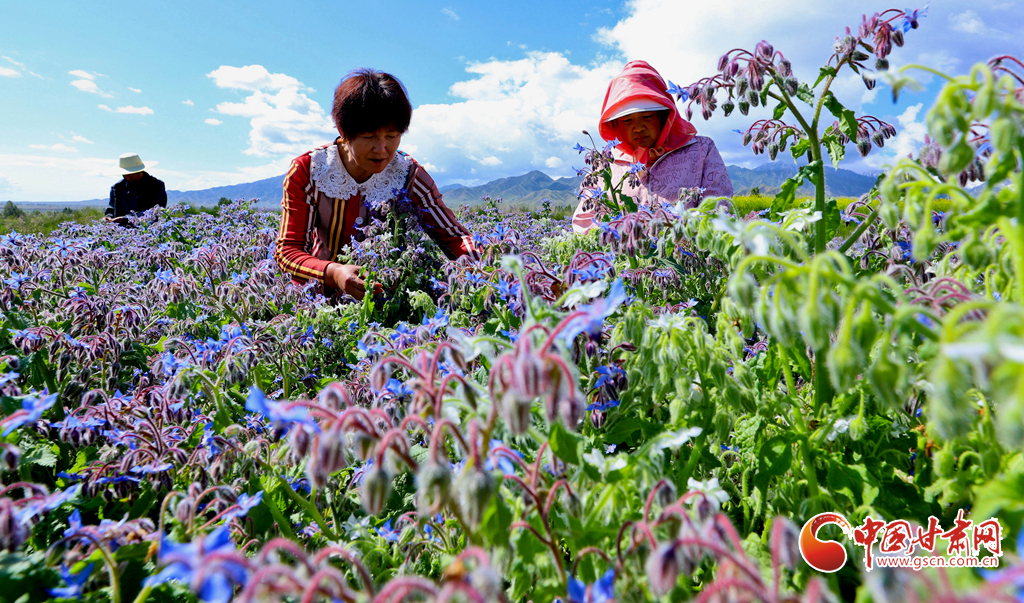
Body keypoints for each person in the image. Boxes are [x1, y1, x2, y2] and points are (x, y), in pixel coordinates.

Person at [274, 69, 479, 300]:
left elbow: (454, 237)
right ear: (343, 132)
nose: (382, 149)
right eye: (369, 137)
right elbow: (288, 251)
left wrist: (492, 267)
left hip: (390, 301)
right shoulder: (309, 171)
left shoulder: (409, 174)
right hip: (318, 301)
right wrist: (334, 273)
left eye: (391, 136)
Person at [572, 60, 733, 234]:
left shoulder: (701, 150)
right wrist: (620, 237)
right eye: (627, 120)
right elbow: (584, 222)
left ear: (664, 116)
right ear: (615, 124)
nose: (638, 127)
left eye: (647, 116)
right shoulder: (606, 163)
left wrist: (680, 237)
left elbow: (718, 210)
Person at [105, 153, 167, 225]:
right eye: (124, 174)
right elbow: (111, 209)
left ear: (140, 171)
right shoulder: (117, 188)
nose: (127, 177)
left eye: (130, 174)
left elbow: (156, 211)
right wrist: (108, 217)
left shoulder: (156, 186)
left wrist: (126, 219)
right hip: (119, 230)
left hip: (147, 228)